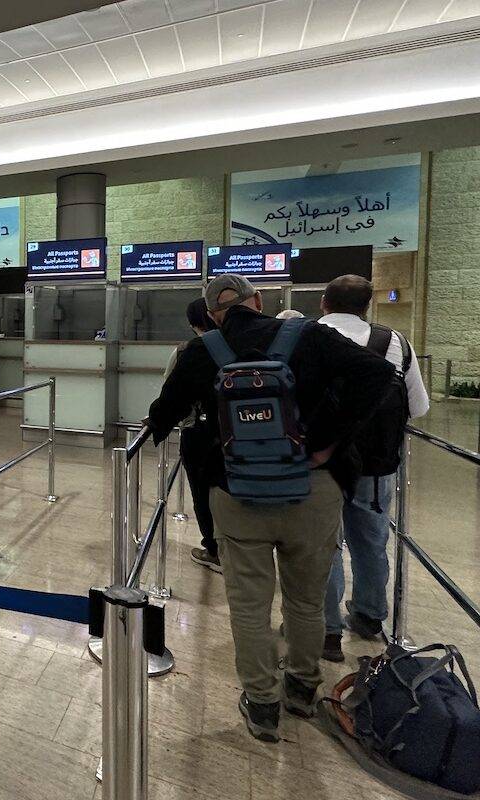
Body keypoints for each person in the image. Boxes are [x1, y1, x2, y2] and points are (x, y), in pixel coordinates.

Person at [147, 274, 395, 743]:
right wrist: (322, 442)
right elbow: (378, 374)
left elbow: (164, 413)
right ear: (258, 301)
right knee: (305, 597)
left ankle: (261, 704)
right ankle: (301, 688)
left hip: (238, 494)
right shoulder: (311, 335)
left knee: (248, 603)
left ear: (214, 314)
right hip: (312, 489)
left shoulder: (206, 350)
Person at [317, 275, 430, 662]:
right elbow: (418, 408)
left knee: (323, 543)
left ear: (323, 303)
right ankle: (368, 616)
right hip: (376, 463)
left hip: (321, 462)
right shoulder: (396, 343)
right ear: (367, 307)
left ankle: (327, 631)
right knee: (370, 539)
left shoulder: (304, 338)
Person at [170, 298, 221, 573]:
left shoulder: (187, 350)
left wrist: (158, 422)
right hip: (237, 434)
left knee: (202, 493)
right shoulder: (241, 344)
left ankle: (214, 549)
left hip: (199, 434)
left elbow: (172, 395)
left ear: (192, 323)